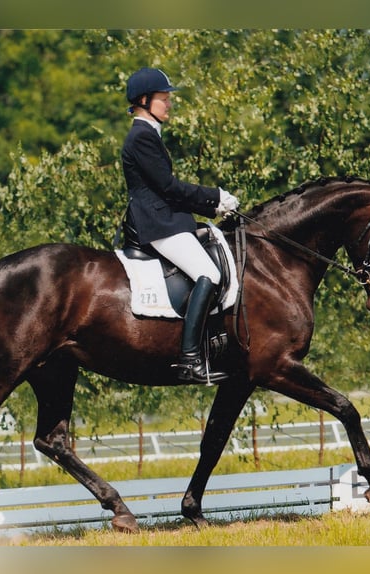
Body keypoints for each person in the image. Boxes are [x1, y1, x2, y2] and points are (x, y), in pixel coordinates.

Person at [121, 66, 239, 384]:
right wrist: (215, 197)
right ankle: (190, 359)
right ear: (145, 100)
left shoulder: (147, 135)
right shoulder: (142, 137)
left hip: (168, 220)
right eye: (163, 98)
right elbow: (169, 188)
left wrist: (210, 209)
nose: (169, 103)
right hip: (159, 224)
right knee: (210, 274)